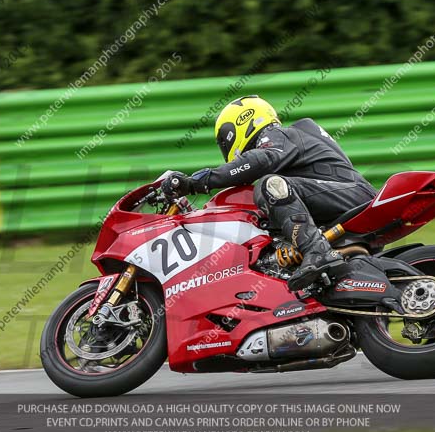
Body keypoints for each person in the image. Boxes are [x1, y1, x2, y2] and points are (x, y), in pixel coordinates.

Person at [162, 95, 377, 291]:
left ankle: (316, 251)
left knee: (269, 185)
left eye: (224, 140)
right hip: (340, 199)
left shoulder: (277, 136)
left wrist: (198, 182)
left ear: (241, 124)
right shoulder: (290, 142)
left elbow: (261, 160)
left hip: (351, 194)